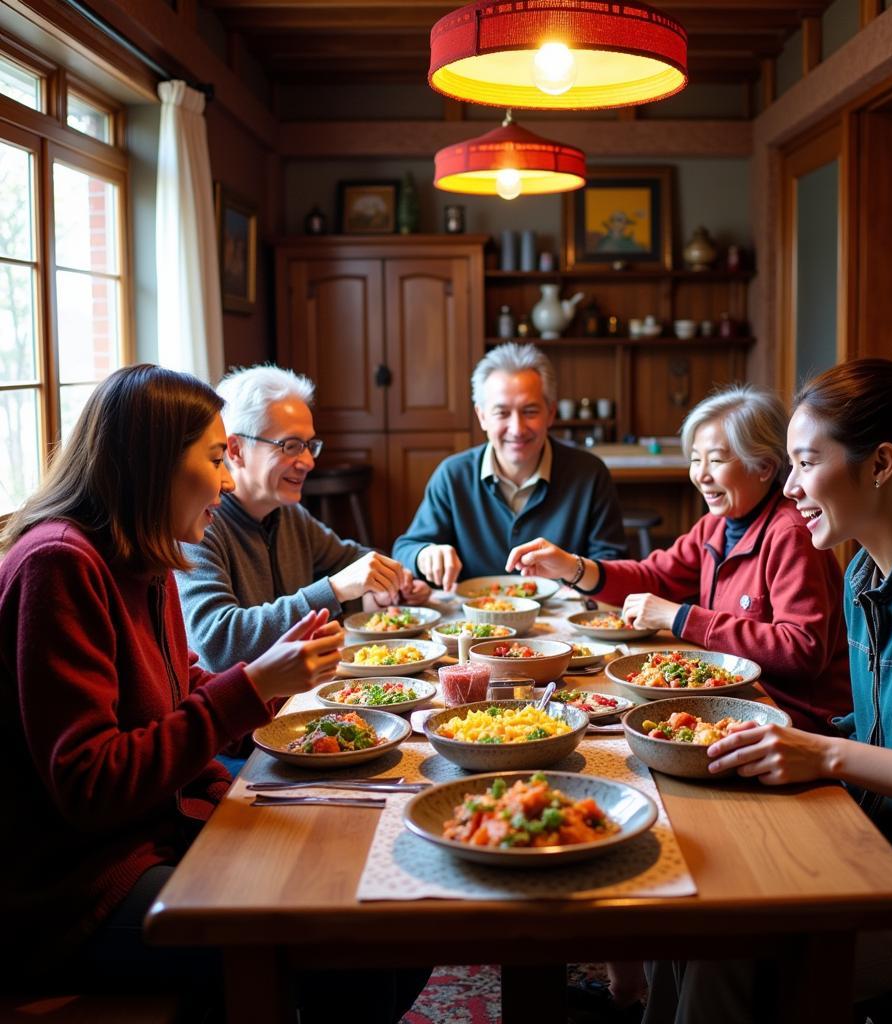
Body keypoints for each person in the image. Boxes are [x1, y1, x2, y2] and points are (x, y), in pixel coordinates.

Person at [0, 365, 429, 1019]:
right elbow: (91, 782)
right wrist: (253, 687)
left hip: (158, 832)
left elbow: (180, 691)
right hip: (77, 890)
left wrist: (274, 699)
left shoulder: (143, 557)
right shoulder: (57, 565)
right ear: (151, 465)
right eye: (213, 458)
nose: (227, 480)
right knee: (345, 938)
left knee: (388, 903)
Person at [644, 357, 892, 1024]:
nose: (788, 487)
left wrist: (824, 755)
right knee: (693, 905)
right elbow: (869, 728)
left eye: (805, 462)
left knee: (734, 952)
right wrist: (788, 741)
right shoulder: (863, 576)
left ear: (880, 465)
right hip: (889, 847)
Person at [507, 384, 851, 735]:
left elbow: (801, 651)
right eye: (695, 459)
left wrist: (679, 616)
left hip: (794, 720)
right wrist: (573, 567)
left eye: (715, 460)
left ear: (763, 466)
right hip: (737, 703)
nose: (700, 475)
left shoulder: (791, 534)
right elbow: (654, 577)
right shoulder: (715, 526)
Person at [177, 364, 430, 674]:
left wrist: (394, 579)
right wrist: (335, 590)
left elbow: (351, 560)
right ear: (236, 449)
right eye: (291, 446)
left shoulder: (287, 515)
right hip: (247, 717)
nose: (308, 462)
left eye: (310, 446)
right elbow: (216, 643)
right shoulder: (198, 527)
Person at [393, 341, 627, 589]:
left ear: (551, 413)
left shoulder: (589, 474)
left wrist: (573, 568)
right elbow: (406, 550)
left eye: (530, 411)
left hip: (566, 619)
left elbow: (614, 565)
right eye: (502, 413)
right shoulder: (453, 475)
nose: (517, 429)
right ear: (482, 416)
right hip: (473, 624)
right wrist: (424, 555)